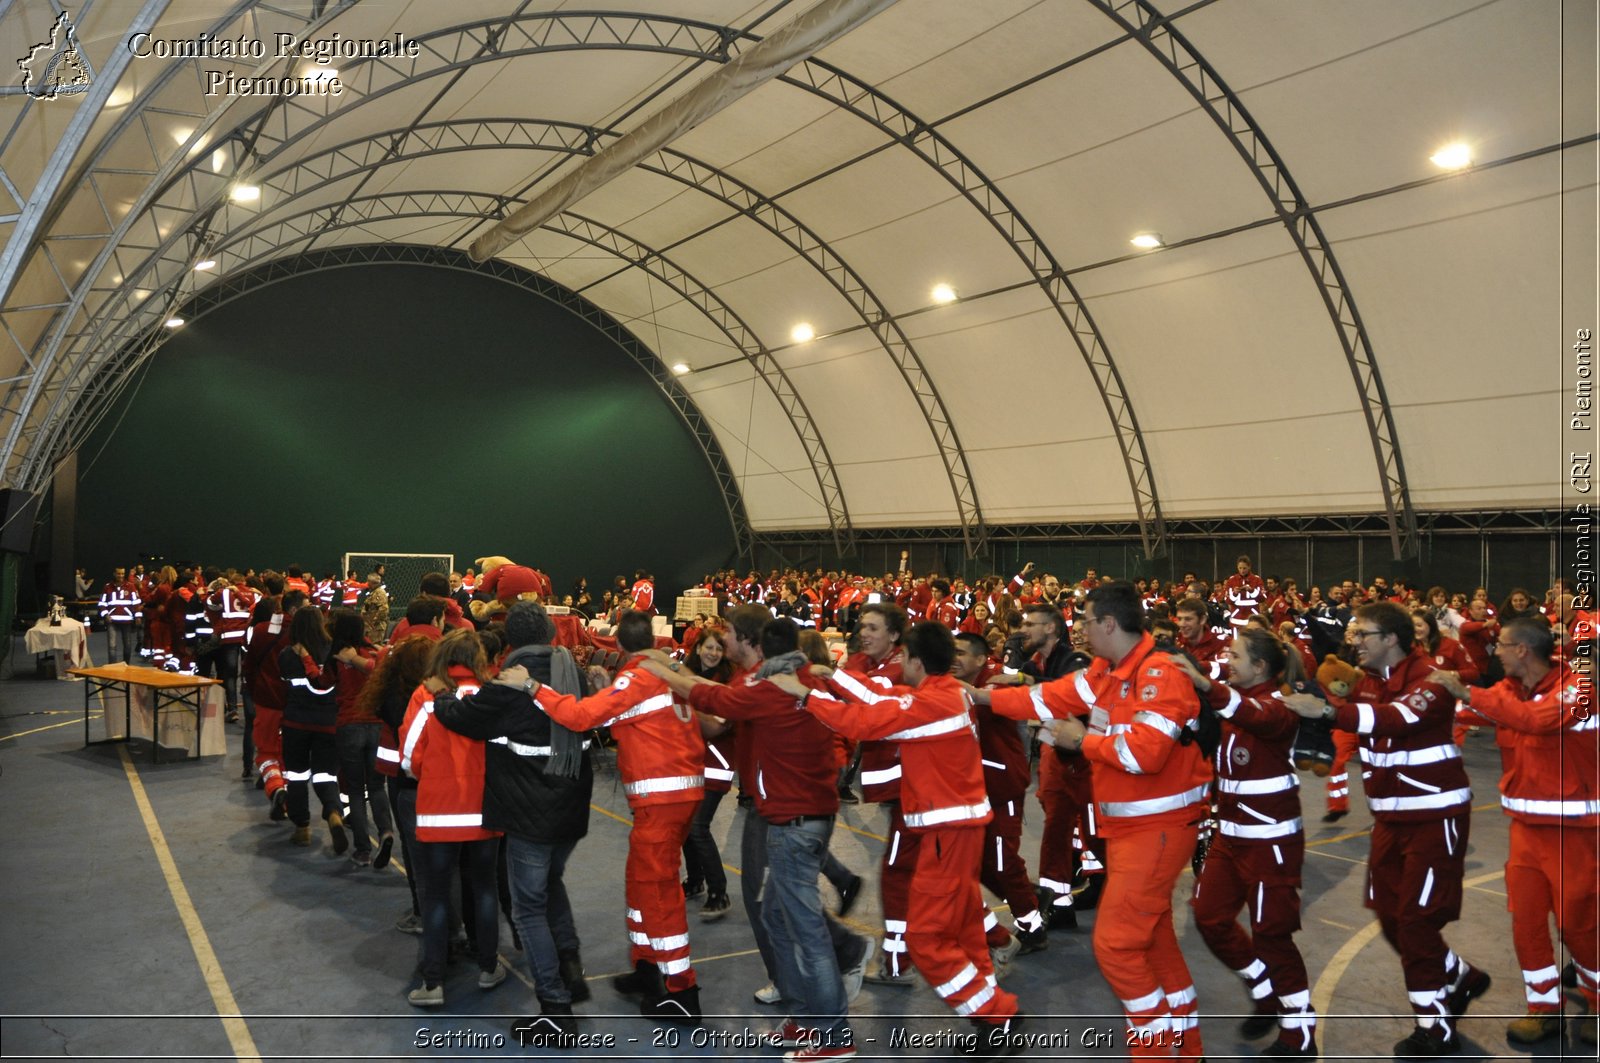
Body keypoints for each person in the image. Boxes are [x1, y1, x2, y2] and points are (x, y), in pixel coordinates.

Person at [972, 582, 1212, 1060]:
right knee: (1156, 941)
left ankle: (1156, 1053)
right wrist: (979, 698)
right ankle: (1188, 1048)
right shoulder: (1108, 669)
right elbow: (1046, 699)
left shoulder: (1159, 673)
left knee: (1118, 946)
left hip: (1157, 831)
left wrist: (1080, 741)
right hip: (1133, 831)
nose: (1077, 628)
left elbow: (1144, 753)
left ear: (1108, 623)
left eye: (1083, 620)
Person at [772, 621, 1024, 1056]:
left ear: (915, 661)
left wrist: (807, 696)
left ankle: (997, 1016)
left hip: (946, 833)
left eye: (904, 657)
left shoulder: (931, 703)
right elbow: (882, 698)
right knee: (964, 928)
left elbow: (866, 722)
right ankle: (993, 1019)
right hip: (959, 832)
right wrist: (833, 675)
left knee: (925, 939)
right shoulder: (948, 693)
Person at [642, 609, 860, 1063]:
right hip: (799, 819)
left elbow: (712, 698)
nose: (722, 639)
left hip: (793, 823)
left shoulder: (772, 690)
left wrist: (657, 668)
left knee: (806, 932)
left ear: (751, 641)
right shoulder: (797, 679)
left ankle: (835, 1036)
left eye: (727, 634)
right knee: (779, 919)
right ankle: (804, 1018)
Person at [1284, 601, 1489, 1059]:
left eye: (1364, 635)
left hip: (1434, 818)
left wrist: (1326, 712)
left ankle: (1434, 1028)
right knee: (1391, 915)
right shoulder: (1370, 683)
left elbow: (1395, 720)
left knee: (1415, 922)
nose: (1354, 642)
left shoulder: (1431, 680)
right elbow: (1362, 723)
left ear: (1391, 639)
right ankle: (1458, 975)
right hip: (1391, 821)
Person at [506, 611, 706, 1025]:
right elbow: (628, 716)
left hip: (661, 800)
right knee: (640, 885)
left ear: (617, 646)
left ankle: (681, 991)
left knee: (658, 893)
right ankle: (648, 968)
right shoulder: (671, 669)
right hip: (677, 796)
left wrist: (530, 686)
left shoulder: (638, 678)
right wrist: (605, 691)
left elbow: (580, 718)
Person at [428, 601, 596, 1045]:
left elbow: (463, 719)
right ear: (550, 632)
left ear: (511, 639)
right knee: (551, 884)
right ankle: (571, 966)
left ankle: (556, 1008)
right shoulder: (570, 672)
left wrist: (439, 694)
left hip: (529, 812)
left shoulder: (509, 682)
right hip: (571, 806)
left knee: (527, 908)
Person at [1429, 618, 1598, 1047]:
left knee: (1580, 925)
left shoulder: (1578, 690)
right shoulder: (1507, 691)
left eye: (1501, 645)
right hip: (1526, 832)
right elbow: (1463, 709)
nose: (1493, 652)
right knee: (1526, 923)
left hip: (1575, 833)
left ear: (1523, 649)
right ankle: (1544, 1009)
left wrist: (1466, 690)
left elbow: (1537, 720)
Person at [1174, 627, 1318, 1059]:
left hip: (1271, 841)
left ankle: (1299, 1031)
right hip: (1229, 837)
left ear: (1260, 667)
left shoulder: (1280, 707)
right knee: (1209, 916)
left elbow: (1255, 716)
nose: (1227, 660)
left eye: (1235, 656)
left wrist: (1207, 686)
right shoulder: (1231, 707)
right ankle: (1265, 986)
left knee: (1273, 936)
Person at [404, 631, 507, 1007]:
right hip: (484, 810)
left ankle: (433, 982)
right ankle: (488, 966)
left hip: (437, 811)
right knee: (484, 889)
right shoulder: (492, 694)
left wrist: (432, 778)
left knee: (435, 895)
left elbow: (409, 756)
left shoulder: (426, 695)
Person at [952, 630, 1046, 962]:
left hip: (1002, 787)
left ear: (981, 658)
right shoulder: (964, 684)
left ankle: (1033, 927)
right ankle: (1029, 897)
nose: (954, 659)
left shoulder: (995, 683)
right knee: (979, 863)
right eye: (951, 652)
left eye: (962, 653)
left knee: (1002, 861)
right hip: (973, 791)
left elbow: (983, 701)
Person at [278, 605, 347, 851]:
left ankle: (302, 827)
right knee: (326, 775)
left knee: (296, 776)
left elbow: (283, 686)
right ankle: (334, 815)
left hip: (296, 723)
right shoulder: (333, 651)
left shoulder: (287, 654)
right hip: (328, 724)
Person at [680, 625, 735, 920]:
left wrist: (686, 706)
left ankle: (719, 892)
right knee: (688, 826)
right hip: (689, 759)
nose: (713, 653)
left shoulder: (729, 681)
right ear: (698, 648)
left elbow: (718, 725)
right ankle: (695, 881)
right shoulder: (684, 673)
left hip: (717, 761)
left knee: (699, 826)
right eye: (709, 647)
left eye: (718, 648)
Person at [328, 607, 389, 868]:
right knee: (376, 786)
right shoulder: (373, 653)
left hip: (349, 724)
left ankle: (363, 849)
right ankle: (386, 831)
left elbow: (323, 685)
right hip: (376, 725)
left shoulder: (334, 657)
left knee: (355, 788)